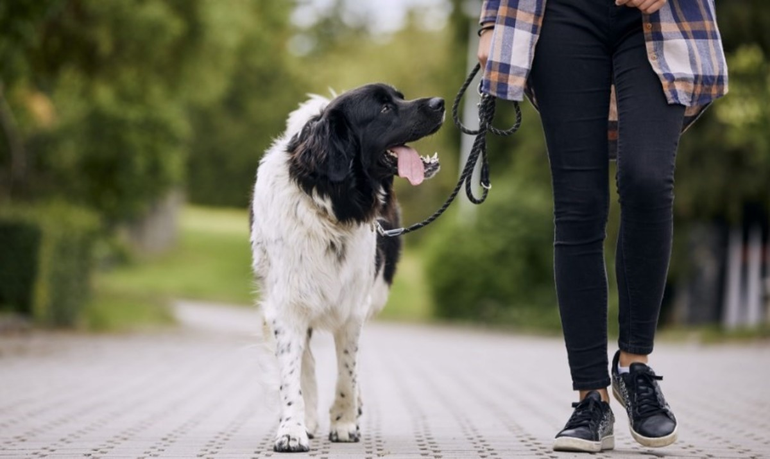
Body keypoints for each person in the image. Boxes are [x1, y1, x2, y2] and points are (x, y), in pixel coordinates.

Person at [477, 0, 727, 453]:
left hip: (660, 16)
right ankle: (590, 399)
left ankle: (635, 368)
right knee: (578, 204)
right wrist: (492, 19)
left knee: (648, 179)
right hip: (561, 15)